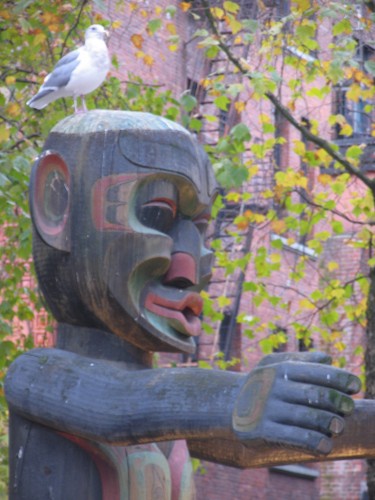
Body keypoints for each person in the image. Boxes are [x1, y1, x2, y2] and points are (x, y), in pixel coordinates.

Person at [5, 110, 361, 499]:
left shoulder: (172, 418)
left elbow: (249, 442)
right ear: (57, 207)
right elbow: (122, 402)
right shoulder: (38, 375)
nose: (189, 268)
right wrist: (241, 396)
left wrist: (294, 405)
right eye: (156, 214)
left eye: (202, 228)